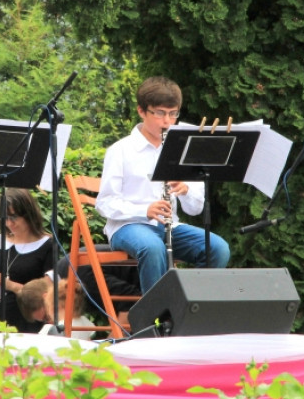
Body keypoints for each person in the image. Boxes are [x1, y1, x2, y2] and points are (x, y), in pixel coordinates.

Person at [95, 76, 230, 295]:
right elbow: (105, 203)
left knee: (218, 248)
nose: (167, 122)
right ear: (141, 111)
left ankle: (186, 308)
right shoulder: (120, 150)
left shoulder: (183, 149)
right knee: (152, 247)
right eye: (159, 113)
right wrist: (144, 210)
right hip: (128, 226)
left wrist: (185, 189)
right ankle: (155, 319)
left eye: (173, 114)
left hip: (169, 226)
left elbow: (195, 209)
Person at [0, 188, 56, 334]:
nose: (9, 223)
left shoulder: (47, 245)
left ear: (28, 214)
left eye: (14, 217)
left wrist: (11, 286)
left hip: (26, 316)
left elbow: (48, 292)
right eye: (5, 218)